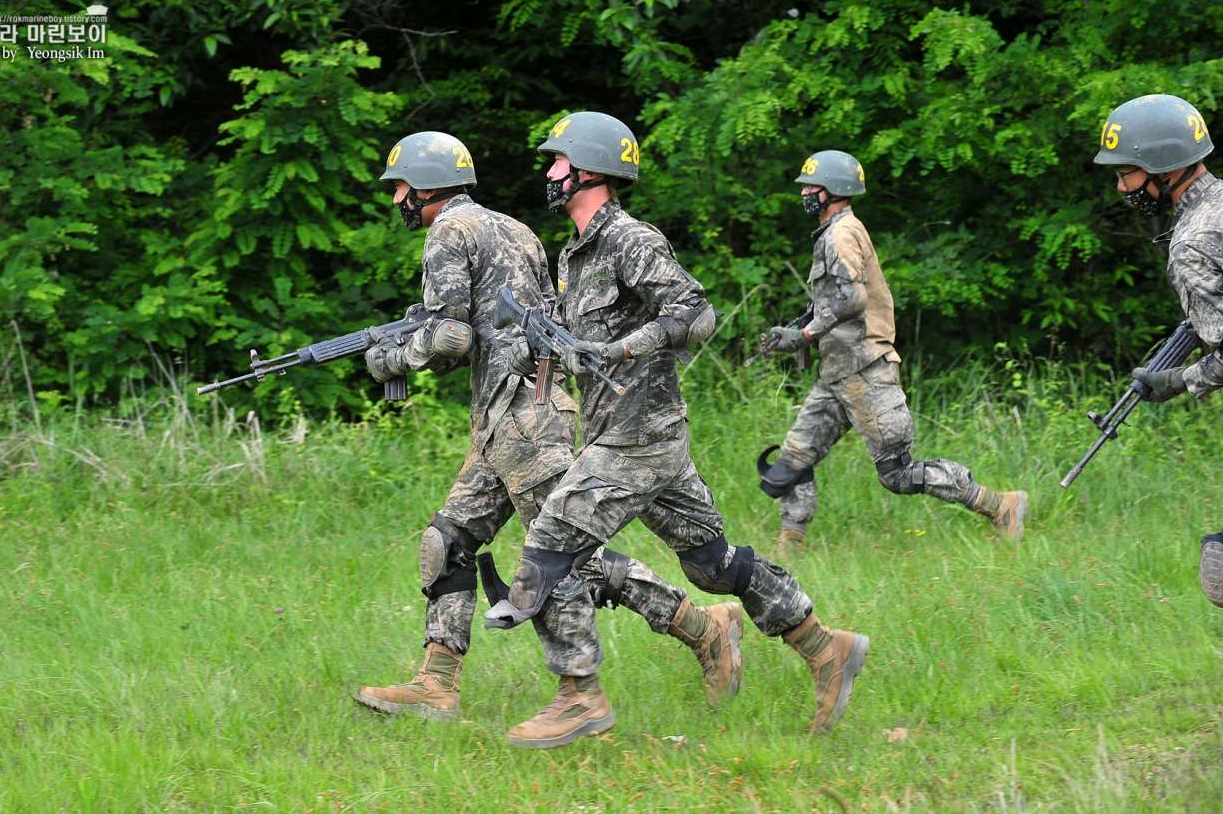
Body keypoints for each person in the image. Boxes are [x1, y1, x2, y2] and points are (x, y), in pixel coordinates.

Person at [486, 113, 868, 748]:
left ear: (588, 169)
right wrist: (544, 339)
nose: (548, 171)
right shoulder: (576, 252)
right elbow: (584, 341)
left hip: (637, 437)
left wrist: (625, 349)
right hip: (638, 434)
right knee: (710, 564)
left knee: (550, 538)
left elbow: (696, 314)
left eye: (557, 161)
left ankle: (578, 696)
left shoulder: (632, 240)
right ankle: (825, 647)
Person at [353, 131, 745, 723]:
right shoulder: (516, 230)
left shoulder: (447, 233)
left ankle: (699, 630)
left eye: (401, 187)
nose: (396, 200)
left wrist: (391, 359)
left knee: (566, 559)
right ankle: (437, 684)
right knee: (447, 542)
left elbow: (452, 337)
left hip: (523, 419)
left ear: (429, 185)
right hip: (514, 414)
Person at [757, 151, 1028, 551]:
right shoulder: (835, 231)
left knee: (896, 474)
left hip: (866, 371)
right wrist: (799, 327)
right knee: (793, 459)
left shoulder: (840, 234)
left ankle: (1000, 505)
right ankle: (790, 546)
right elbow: (835, 300)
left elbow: (852, 299)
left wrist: (807, 336)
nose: (803, 191)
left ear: (832, 191)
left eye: (810, 186)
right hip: (838, 372)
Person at [1092, 94, 1223, 609]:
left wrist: (1180, 381)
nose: (1121, 187)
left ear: (1164, 168)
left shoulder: (1192, 242)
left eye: (1127, 174)